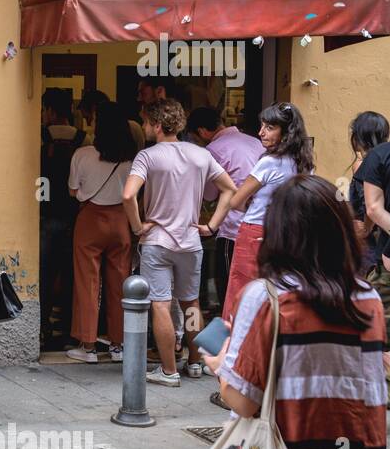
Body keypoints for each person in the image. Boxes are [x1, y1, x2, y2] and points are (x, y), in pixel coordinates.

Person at [202, 175, 386, 449]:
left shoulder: (266, 297)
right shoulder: (368, 300)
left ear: (278, 233)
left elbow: (244, 402)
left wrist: (220, 365)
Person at [123, 99, 235, 387]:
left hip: (158, 240)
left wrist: (138, 226)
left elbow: (128, 196)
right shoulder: (200, 155)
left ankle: (169, 370)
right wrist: (212, 225)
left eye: (147, 122)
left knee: (160, 304)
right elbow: (230, 189)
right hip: (191, 241)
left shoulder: (147, 157)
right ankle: (196, 363)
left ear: (158, 125)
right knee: (191, 304)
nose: (146, 127)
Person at [221, 102, 315, 321]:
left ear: (286, 131)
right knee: (278, 290)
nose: (261, 132)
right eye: (262, 126)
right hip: (288, 232)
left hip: (255, 231)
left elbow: (235, 201)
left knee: (242, 289)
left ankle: (234, 345)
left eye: (270, 127)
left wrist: (251, 202)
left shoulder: (270, 162)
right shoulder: (305, 164)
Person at [65, 101, 137, 363]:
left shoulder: (83, 154)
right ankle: (118, 345)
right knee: (120, 283)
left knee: (87, 283)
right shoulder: (131, 159)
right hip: (121, 221)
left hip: (90, 219)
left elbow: (73, 191)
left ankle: (88, 345)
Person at [186, 108, 264, 317]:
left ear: (202, 131)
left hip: (234, 228)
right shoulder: (255, 142)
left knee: (230, 286)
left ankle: (230, 335)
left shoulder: (213, 150)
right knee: (256, 287)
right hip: (263, 225)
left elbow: (210, 194)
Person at [39, 88, 85, 347]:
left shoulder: (41, 138)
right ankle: (69, 326)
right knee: (71, 274)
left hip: (46, 215)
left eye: (44, 110)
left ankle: (43, 325)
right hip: (75, 216)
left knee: (45, 273)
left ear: (52, 111)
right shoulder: (85, 140)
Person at [348, 111, 390, 273]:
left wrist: (366, 227)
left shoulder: (364, 164)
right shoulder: (386, 160)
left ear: (357, 138)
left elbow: (369, 204)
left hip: (371, 241)